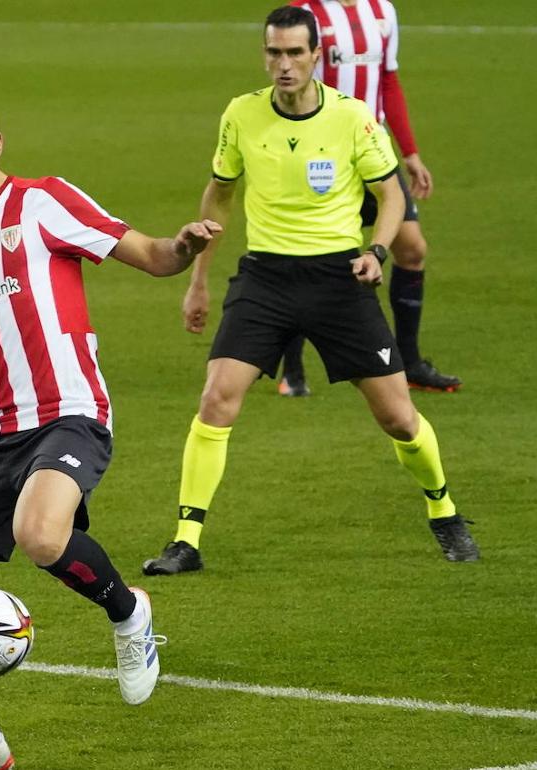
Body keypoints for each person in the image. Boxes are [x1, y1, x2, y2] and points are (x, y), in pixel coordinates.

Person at [0, 88, 221, 770]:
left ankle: (130, 615)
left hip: (68, 413)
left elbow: (152, 255)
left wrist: (183, 247)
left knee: (39, 534)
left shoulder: (44, 202)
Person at [140, 7, 478, 577]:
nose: (284, 64)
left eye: (295, 53)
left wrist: (376, 252)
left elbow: (391, 195)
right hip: (265, 278)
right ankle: (186, 539)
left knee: (398, 418)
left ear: (317, 56)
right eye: (274, 52)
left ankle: (444, 509)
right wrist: (197, 279)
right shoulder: (241, 115)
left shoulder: (352, 118)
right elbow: (219, 194)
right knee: (217, 398)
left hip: (337, 280)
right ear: (264, 55)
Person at [277, 0, 459, 396]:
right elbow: (290, 86)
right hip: (323, 157)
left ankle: (409, 362)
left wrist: (409, 152)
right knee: (303, 255)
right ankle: (292, 372)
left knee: (412, 250)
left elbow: (388, 82)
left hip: (374, 154)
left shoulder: (382, 10)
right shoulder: (305, 12)